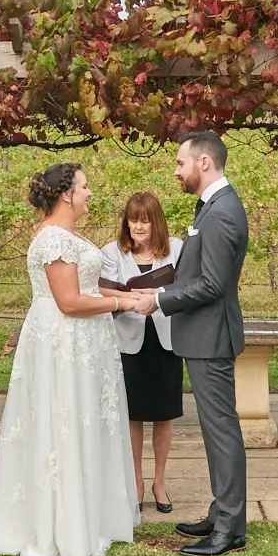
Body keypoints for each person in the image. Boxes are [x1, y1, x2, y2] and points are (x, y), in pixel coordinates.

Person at [0, 162, 140, 556]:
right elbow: (68, 302)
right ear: (66, 193)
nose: (90, 192)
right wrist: (120, 303)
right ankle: (61, 526)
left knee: (82, 419)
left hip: (82, 340)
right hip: (64, 340)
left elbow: (84, 286)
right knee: (63, 421)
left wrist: (135, 294)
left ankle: (86, 514)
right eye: (85, 186)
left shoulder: (64, 235)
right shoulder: (53, 238)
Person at [135, 131, 249, 556]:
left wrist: (159, 300)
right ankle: (222, 513)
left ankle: (230, 528)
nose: (177, 171)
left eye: (181, 163)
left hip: (211, 336)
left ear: (204, 163)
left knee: (222, 432)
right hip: (203, 335)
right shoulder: (213, 207)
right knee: (216, 430)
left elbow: (214, 284)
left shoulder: (220, 213)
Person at [101, 192, 185, 512]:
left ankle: (159, 483)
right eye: (133, 219)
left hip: (165, 341)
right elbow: (102, 290)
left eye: (145, 220)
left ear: (156, 222)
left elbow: (186, 286)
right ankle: (135, 482)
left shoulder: (176, 249)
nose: (138, 226)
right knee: (133, 416)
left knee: (164, 416)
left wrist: (157, 294)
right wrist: (132, 299)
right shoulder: (111, 253)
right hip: (129, 342)